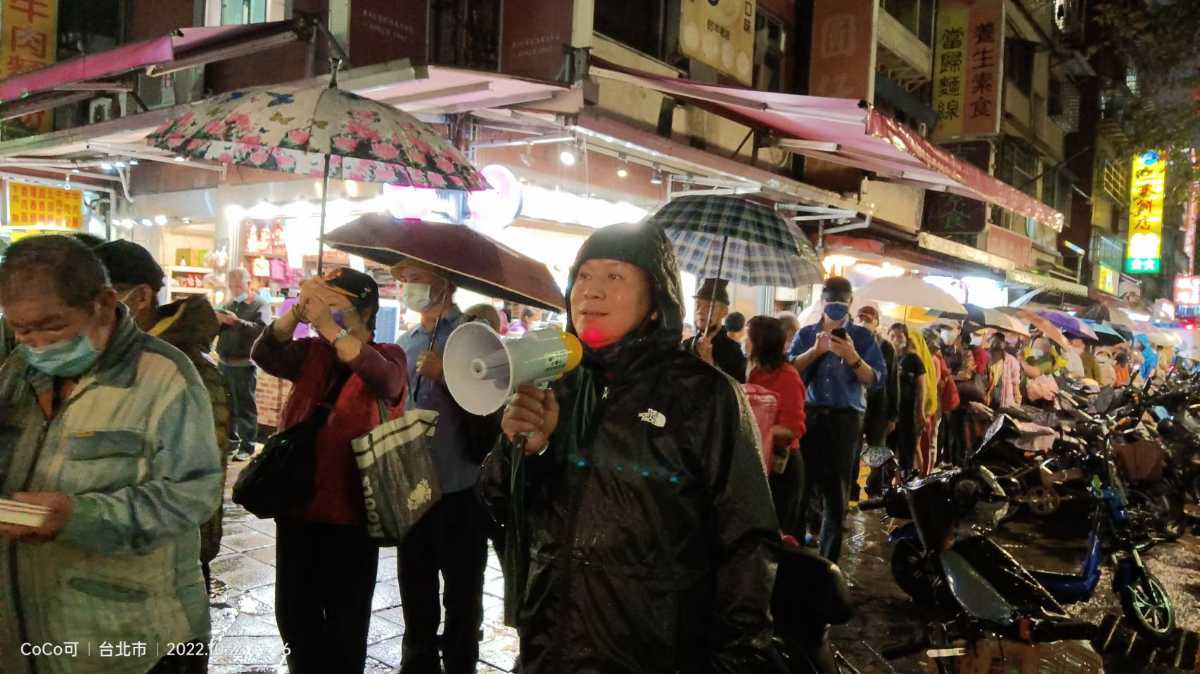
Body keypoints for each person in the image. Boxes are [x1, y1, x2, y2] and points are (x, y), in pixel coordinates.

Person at [481, 221, 777, 674]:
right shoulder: (555, 382)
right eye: (583, 276)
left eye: (615, 276)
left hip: (652, 651)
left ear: (657, 301)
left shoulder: (705, 396)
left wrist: (739, 660)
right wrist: (524, 452)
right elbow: (496, 502)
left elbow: (747, 539)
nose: (591, 292)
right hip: (548, 648)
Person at [0, 236, 221, 674]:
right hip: (24, 635)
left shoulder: (166, 376)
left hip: (129, 638)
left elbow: (194, 495)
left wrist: (77, 516)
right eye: (22, 330)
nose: (37, 343)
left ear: (103, 302)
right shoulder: (17, 373)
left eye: (52, 326)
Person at [252, 268, 407, 674]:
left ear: (364, 310)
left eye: (334, 301)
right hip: (297, 506)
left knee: (345, 623)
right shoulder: (313, 354)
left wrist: (328, 326)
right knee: (293, 616)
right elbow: (264, 354)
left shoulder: (390, 355)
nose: (324, 308)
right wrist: (296, 313)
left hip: (352, 516)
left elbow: (384, 379)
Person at [93, 240, 231, 596]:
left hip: (168, 559)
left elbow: (198, 483)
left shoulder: (187, 371)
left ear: (140, 297)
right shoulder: (104, 356)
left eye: (98, 298)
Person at [392, 259, 491, 674]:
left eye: (417, 279)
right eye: (406, 280)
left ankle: (461, 660)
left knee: (463, 592)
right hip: (412, 487)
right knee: (415, 587)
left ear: (444, 284)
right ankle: (417, 661)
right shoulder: (406, 340)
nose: (409, 287)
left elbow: (490, 405)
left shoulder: (472, 338)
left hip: (460, 486)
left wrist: (447, 376)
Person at [788, 276, 884, 562]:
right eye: (831, 304)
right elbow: (790, 370)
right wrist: (815, 351)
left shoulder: (864, 338)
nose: (836, 310)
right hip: (811, 416)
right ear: (822, 303)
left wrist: (853, 356)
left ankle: (828, 561)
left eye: (841, 305)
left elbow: (875, 380)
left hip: (846, 420)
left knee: (836, 492)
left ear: (850, 304)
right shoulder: (806, 334)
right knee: (801, 487)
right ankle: (794, 553)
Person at [747, 315, 808, 535]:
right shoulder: (756, 373)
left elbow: (794, 429)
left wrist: (762, 431)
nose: (745, 342)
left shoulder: (788, 377)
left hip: (783, 467)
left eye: (749, 337)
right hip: (762, 463)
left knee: (780, 533)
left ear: (761, 343)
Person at [217, 268, 271, 461]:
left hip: (244, 364)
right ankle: (231, 442)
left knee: (244, 406)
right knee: (227, 405)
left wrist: (237, 321)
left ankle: (247, 447)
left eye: (238, 285)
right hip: (224, 362)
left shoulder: (260, 305)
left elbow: (262, 331)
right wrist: (218, 321)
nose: (234, 289)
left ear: (248, 283)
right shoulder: (228, 303)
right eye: (231, 286)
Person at [856, 305, 898, 499]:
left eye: (868, 319)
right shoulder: (851, 343)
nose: (864, 322)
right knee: (853, 450)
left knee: (877, 450)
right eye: (861, 318)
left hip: (879, 407)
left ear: (877, 323)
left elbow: (892, 381)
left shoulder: (886, 347)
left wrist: (892, 415)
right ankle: (851, 492)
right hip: (856, 405)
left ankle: (874, 490)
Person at [887, 324, 928, 477]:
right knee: (890, 451)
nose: (896, 340)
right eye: (892, 336)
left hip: (908, 413)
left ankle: (915, 481)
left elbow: (921, 388)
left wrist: (920, 411)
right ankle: (893, 483)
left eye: (899, 336)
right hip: (891, 414)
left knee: (908, 450)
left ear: (906, 337)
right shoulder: (888, 358)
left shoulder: (914, 359)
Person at [689, 277, 748, 383]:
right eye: (697, 304)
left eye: (709, 306)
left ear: (724, 311)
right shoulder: (686, 345)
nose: (700, 311)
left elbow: (738, 392)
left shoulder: (733, 351)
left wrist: (710, 363)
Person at [987, 332, 1024, 409]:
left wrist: (1017, 402)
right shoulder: (985, 358)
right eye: (994, 341)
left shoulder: (1012, 361)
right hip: (985, 402)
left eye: (999, 341)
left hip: (1004, 404)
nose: (995, 343)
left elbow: (1015, 386)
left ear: (1004, 344)